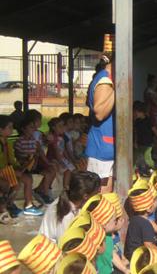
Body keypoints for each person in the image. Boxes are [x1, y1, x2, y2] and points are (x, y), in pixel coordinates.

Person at [86, 34, 116, 193]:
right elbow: (99, 112)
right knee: (101, 193)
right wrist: (118, 88)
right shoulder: (105, 80)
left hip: (107, 146)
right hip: (101, 146)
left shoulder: (107, 78)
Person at [39, 170, 101, 243]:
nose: (99, 194)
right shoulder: (66, 215)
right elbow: (66, 245)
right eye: (97, 192)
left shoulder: (68, 202)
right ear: (85, 196)